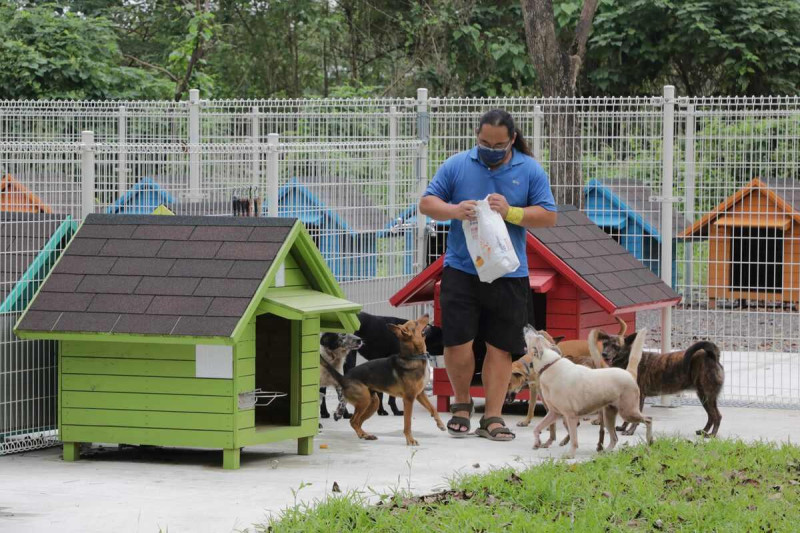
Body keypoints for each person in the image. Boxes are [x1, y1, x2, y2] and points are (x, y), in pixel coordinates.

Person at [418, 109, 557, 441]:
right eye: (483, 142)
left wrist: (511, 211)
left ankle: (493, 416)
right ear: (476, 137)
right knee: (457, 340)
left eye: (497, 144)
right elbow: (426, 203)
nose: (490, 149)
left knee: (500, 346)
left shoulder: (529, 169)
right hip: (462, 269)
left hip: (509, 273)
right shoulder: (457, 165)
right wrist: (454, 210)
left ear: (511, 140)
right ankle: (463, 404)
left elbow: (548, 216)